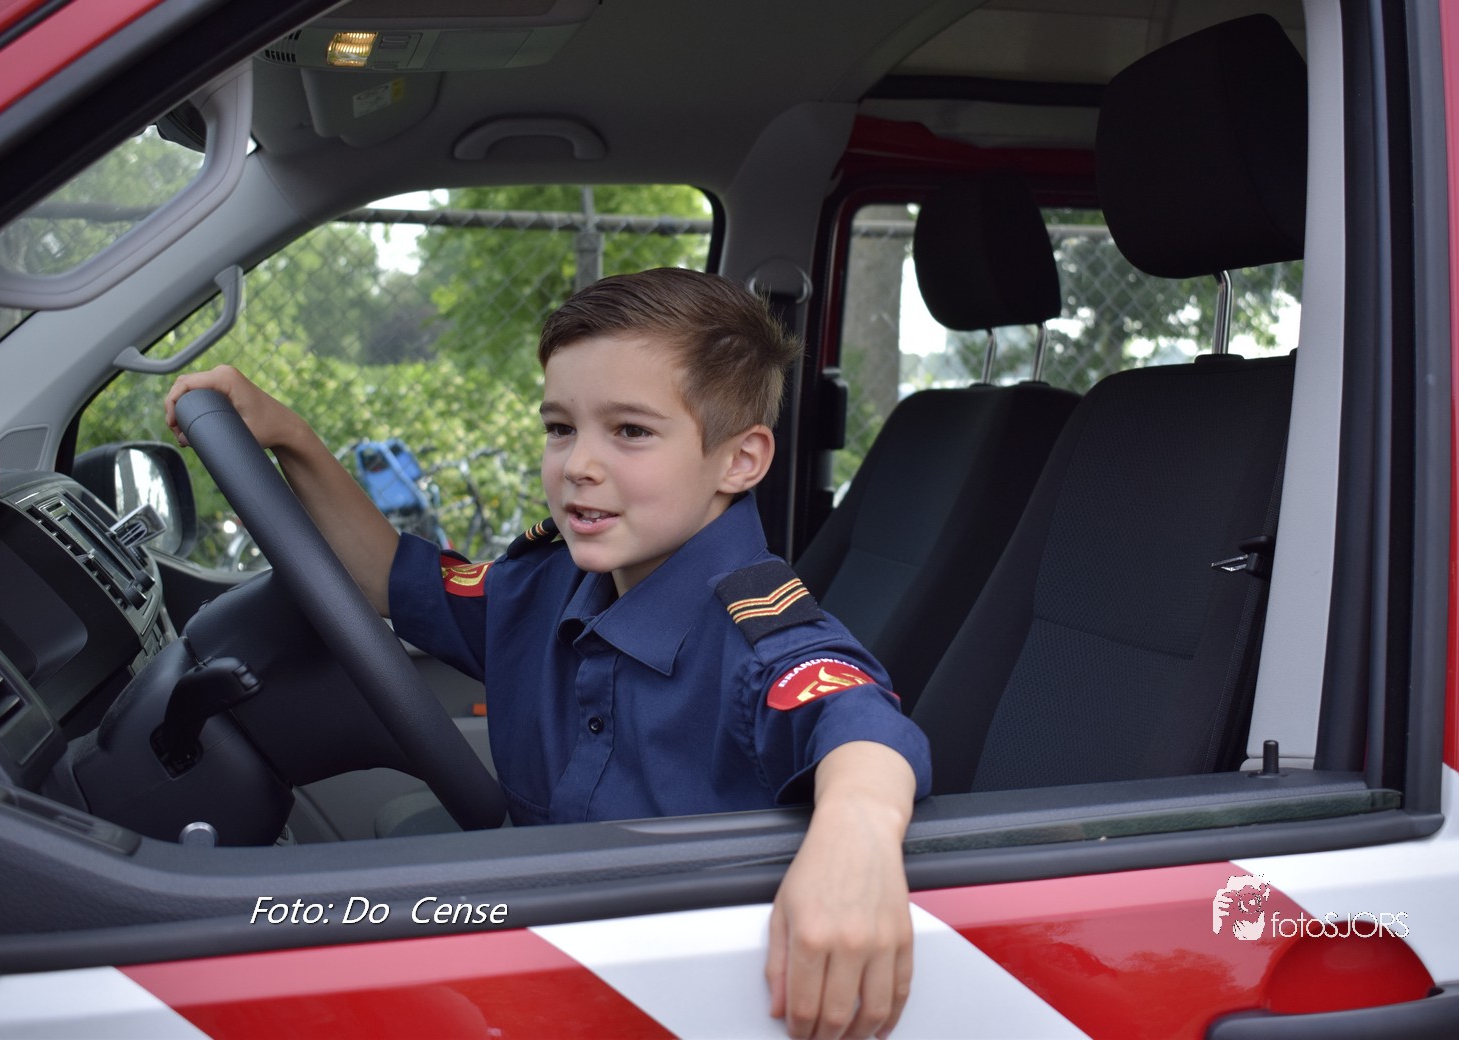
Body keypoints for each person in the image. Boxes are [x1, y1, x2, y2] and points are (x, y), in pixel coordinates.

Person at [166, 267, 931, 1040]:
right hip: (547, 951)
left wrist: (857, 837)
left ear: (740, 460)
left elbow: (859, 722)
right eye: (561, 428)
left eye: (630, 432)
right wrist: (291, 437)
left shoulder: (756, 635)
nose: (577, 466)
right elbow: (391, 580)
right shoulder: (548, 585)